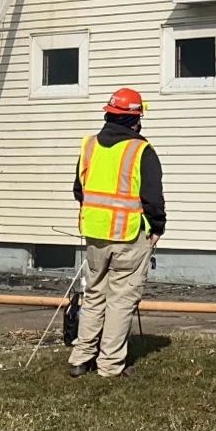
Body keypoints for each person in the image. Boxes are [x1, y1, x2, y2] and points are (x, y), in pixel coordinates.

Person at [68, 87, 166, 380]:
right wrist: (157, 227)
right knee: (121, 299)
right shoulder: (141, 151)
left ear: (108, 114)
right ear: (136, 119)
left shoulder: (89, 146)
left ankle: (80, 357)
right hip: (129, 236)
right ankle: (110, 365)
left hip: (95, 234)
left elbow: (79, 190)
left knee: (95, 294)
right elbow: (153, 199)